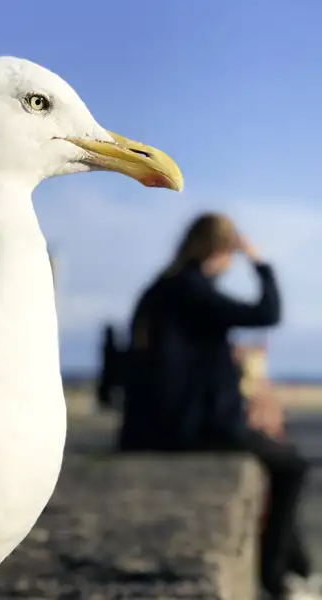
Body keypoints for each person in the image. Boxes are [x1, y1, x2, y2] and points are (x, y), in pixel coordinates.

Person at [118, 212, 315, 600]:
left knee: (279, 457)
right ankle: (280, 579)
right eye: (232, 252)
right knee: (293, 466)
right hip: (185, 427)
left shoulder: (166, 287)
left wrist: (227, 354)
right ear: (222, 250)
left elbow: (182, 353)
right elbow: (267, 314)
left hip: (159, 421)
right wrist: (260, 263)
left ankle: (297, 572)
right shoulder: (191, 288)